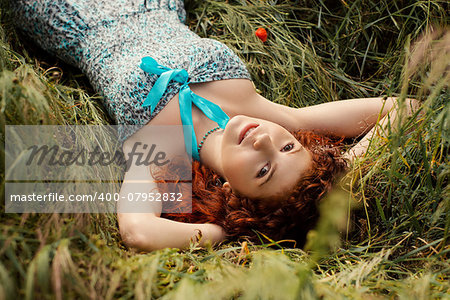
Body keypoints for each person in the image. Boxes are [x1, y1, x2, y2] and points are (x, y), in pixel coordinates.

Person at [9, 0, 416, 251]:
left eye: (263, 170)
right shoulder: (278, 118)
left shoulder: (162, 155)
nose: (263, 142)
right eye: (288, 148)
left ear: (232, 194)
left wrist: (228, 232)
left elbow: (137, 230)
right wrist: (337, 169)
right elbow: (406, 109)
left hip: (71, 11)